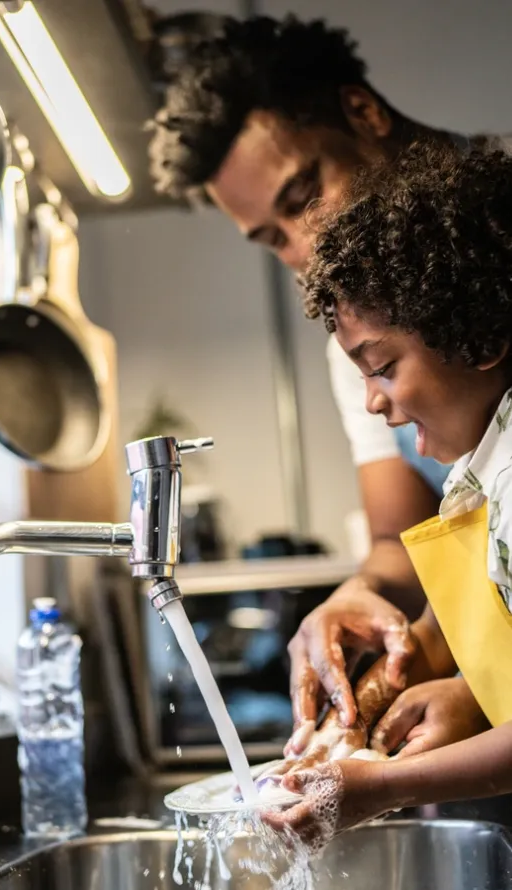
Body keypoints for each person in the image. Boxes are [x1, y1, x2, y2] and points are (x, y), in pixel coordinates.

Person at [148, 13, 508, 754]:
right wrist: (355, 601)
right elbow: (400, 541)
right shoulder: (356, 337)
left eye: (304, 196)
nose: (305, 249)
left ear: (363, 112)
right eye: (272, 240)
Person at [264, 140, 512, 842]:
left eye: (382, 368)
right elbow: (464, 628)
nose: (373, 403)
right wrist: (361, 711)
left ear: (480, 337)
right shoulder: (483, 472)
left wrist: (386, 783)